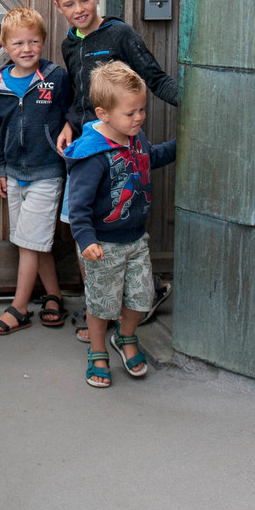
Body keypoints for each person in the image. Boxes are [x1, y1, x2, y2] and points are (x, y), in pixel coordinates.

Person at [50, 0, 176, 341]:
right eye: (69, 4)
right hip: (88, 149)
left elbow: (153, 78)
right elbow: (79, 95)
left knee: (121, 223)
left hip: (122, 148)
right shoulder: (69, 43)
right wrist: (70, 123)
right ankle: (97, 312)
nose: (79, 9)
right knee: (80, 224)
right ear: (59, 8)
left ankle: (139, 295)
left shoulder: (119, 34)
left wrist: (193, 105)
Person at [62, 61, 175, 388]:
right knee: (101, 303)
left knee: (141, 297)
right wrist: (86, 241)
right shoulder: (92, 156)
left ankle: (126, 338)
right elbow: (78, 205)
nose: (138, 118)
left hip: (137, 239)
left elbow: (151, 158)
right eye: (130, 113)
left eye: (141, 110)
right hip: (103, 245)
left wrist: (182, 145)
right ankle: (98, 352)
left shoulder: (135, 138)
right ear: (103, 114)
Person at [0, 6, 72, 335]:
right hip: (14, 172)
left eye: (34, 42)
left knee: (31, 241)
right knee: (31, 241)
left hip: (47, 171)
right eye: (18, 43)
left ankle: (19, 308)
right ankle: (53, 296)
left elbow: (71, 115)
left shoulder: (55, 77)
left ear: (43, 42)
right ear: (5, 46)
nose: (27, 49)